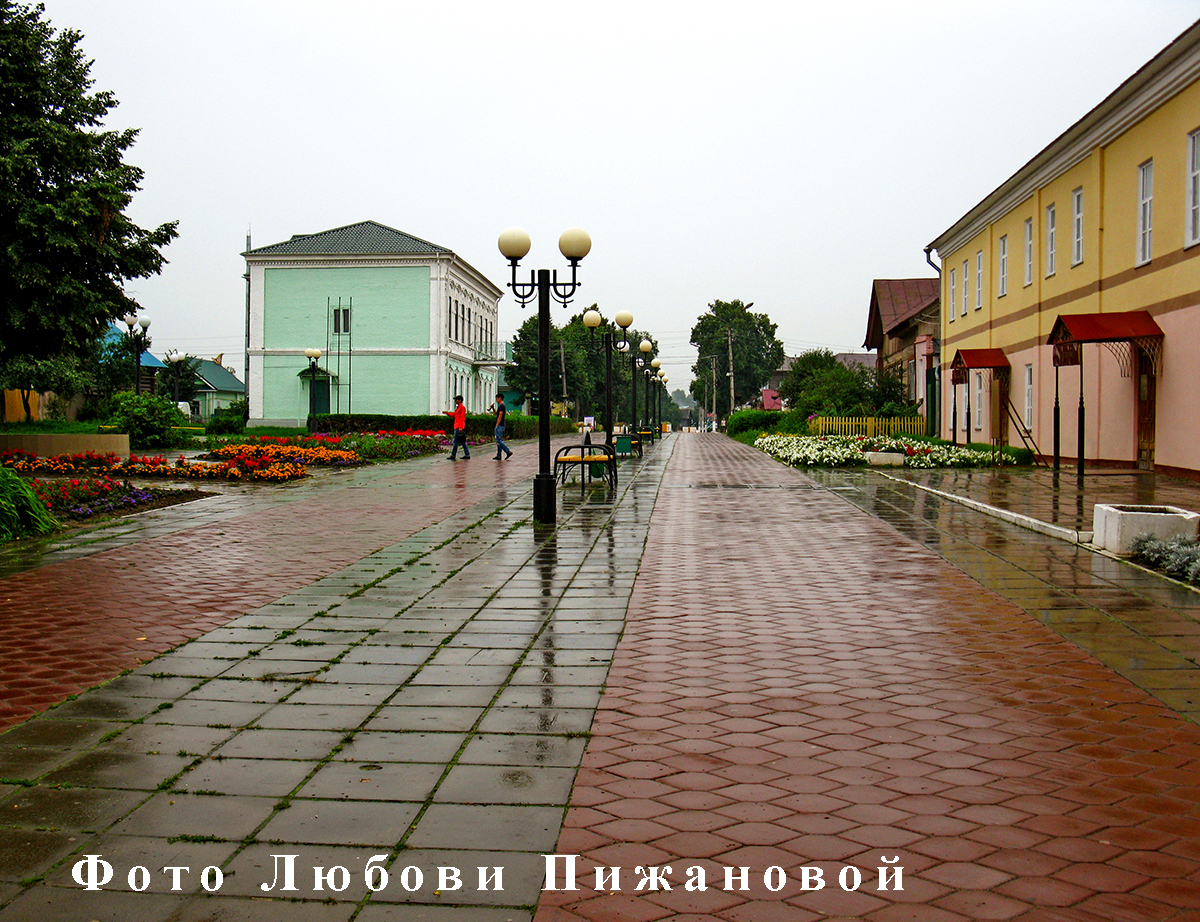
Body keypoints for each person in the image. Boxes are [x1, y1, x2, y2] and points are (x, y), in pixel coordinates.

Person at [444, 395, 470, 460]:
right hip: (457, 426)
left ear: (460, 400)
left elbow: (462, 417)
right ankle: (467, 454)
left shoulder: (462, 408)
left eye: (456, 400)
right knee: (462, 442)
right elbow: (454, 414)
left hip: (458, 426)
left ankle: (453, 455)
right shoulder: (458, 408)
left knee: (456, 442)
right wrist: (447, 413)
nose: (455, 401)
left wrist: (461, 427)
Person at [493, 394, 513, 460]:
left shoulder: (502, 406)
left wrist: (497, 425)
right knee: (498, 441)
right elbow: (497, 414)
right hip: (501, 425)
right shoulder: (501, 406)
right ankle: (499, 455)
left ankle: (508, 451)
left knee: (499, 440)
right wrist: (493, 408)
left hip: (500, 425)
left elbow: (500, 416)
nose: (496, 400)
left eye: (497, 398)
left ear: (500, 398)